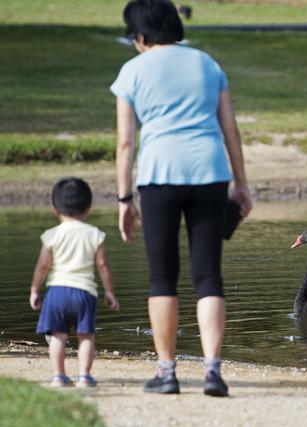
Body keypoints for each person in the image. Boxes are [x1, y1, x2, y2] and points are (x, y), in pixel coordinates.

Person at [110, 0, 252, 397]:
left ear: (139, 36)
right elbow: (231, 129)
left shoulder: (132, 71)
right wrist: (241, 184)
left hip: (159, 176)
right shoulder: (207, 64)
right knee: (208, 275)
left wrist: (124, 198)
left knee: (162, 277)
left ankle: (167, 372)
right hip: (210, 173)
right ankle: (212, 371)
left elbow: (125, 142)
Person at [30, 177, 120, 388]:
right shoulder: (94, 234)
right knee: (86, 336)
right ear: (88, 207)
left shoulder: (51, 235)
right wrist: (109, 291)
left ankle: (58, 376)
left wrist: (35, 289)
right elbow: (103, 265)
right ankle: (84, 376)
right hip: (84, 292)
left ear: (54, 208)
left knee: (58, 335)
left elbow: (43, 266)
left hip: (56, 292)